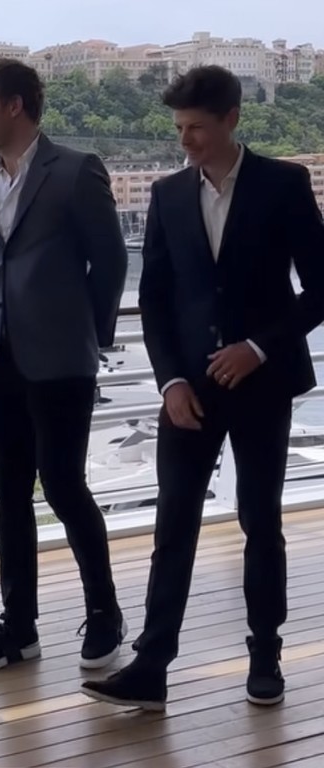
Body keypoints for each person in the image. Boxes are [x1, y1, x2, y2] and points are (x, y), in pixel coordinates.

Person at [82, 65, 324, 711]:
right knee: (173, 524)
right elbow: (155, 300)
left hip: (262, 383)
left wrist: (258, 347)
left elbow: (321, 287)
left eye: (196, 128)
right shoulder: (167, 194)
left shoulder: (283, 183)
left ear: (232, 120)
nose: (185, 140)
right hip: (188, 388)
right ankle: (152, 665)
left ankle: (265, 654)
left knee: (260, 521)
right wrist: (170, 381)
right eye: (179, 128)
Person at [0, 59, 128, 674]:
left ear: (14, 106)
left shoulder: (76, 170)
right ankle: (19, 626)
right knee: (9, 491)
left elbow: (110, 262)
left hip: (61, 360)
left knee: (62, 484)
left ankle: (104, 611)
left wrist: (89, 334)